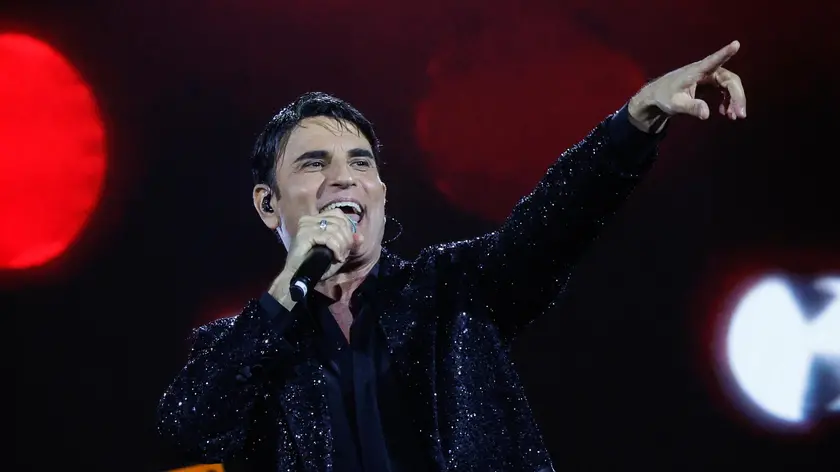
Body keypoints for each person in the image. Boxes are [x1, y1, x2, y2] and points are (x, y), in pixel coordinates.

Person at [157, 41, 747, 471]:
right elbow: (186, 426)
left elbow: (554, 221)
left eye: (361, 163)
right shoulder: (240, 347)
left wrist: (635, 120)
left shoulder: (452, 289)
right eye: (315, 164)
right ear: (268, 205)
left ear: (381, 192)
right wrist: (288, 288)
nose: (345, 178)